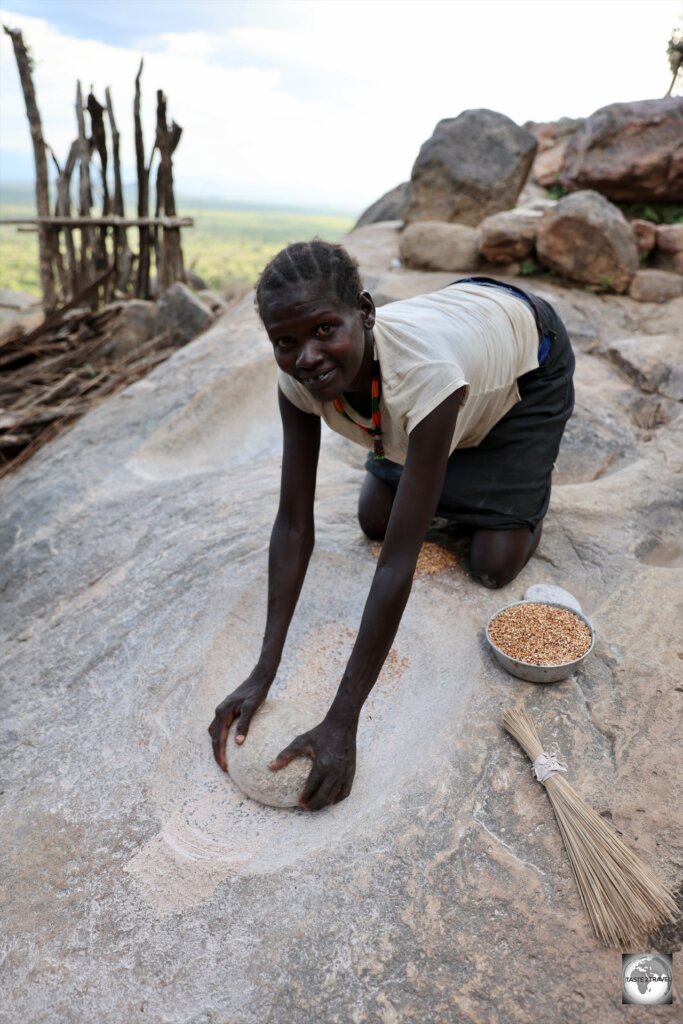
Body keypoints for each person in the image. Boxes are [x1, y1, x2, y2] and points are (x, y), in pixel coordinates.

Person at [209, 240, 575, 811]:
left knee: (493, 563)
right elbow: (292, 525)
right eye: (287, 342)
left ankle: (522, 495)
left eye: (325, 329)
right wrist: (262, 670)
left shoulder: (424, 376)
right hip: (442, 357)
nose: (307, 356)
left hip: (525, 361)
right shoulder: (302, 383)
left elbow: (398, 564)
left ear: (365, 311)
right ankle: (444, 470)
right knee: (375, 518)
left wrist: (341, 721)